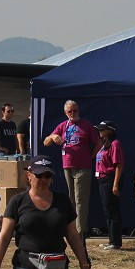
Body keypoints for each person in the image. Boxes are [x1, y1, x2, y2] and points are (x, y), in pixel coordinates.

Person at [43, 100, 101, 239]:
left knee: (81, 198)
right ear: (65, 113)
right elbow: (46, 142)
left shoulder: (86, 124)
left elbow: (98, 142)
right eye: (70, 112)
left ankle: (81, 230)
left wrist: (91, 156)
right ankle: (71, 227)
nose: (73, 114)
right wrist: (53, 137)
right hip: (67, 165)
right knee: (71, 198)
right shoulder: (63, 125)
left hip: (83, 166)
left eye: (75, 111)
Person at [92, 122, 125, 250]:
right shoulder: (104, 145)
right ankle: (111, 240)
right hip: (102, 179)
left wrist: (115, 184)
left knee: (112, 210)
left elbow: (119, 165)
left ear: (110, 131)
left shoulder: (115, 144)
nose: (100, 131)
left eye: (102, 129)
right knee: (107, 211)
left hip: (110, 179)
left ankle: (116, 242)